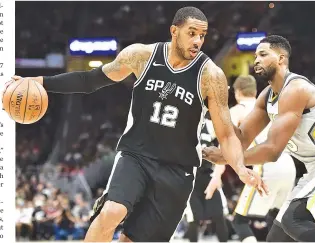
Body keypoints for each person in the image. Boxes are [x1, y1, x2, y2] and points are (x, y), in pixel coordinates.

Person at [5, 7, 266, 242]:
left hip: (178, 171)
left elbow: (227, 135)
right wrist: (41, 81)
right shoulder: (142, 56)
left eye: (203, 35)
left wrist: (240, 167)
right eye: (192, 33)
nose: (198, 41)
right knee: (111, 212)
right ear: (174, 31)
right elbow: (90, 80)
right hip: (136, 155)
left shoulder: (211, 76)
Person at [203, 35, 315, 242]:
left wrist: (231, 159)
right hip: (313, 170)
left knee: (295, 220)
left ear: (281, 59)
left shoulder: (295, 89)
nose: (256, 59)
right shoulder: (267, 95)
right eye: (255, 55)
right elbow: (242, 137)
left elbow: (272, 150)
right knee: (277, 238)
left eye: (263, 54)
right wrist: (217, 112)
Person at [228, 75, 296, 242]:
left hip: (267, 167)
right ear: (255, 91)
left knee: (239, 220)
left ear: (237, 92)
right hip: (289, 165)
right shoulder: (271, 107)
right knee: (277, 219)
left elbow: (226, 143)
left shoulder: (238, 110)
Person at [184, 113, 229, 242]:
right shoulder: (184, 126)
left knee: (219, 215)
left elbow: (223, 146)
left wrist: (217, 175)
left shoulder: (210, 125)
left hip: (209, 174)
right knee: (194, 217)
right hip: (190, 176)